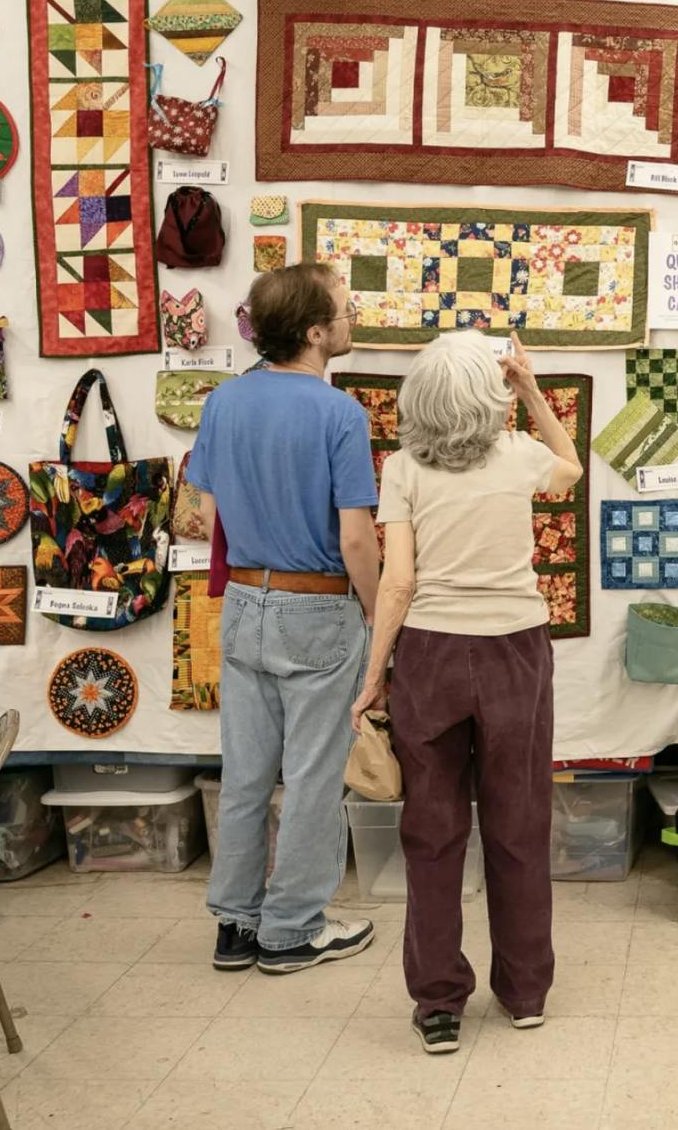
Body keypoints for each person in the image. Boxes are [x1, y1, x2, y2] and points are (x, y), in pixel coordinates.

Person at [350, 331, 582, 1055]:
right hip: (516, 652)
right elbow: (571, 470)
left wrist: (373, 677)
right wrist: (532, 388)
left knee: (432, 831)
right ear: (491, 396)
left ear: (417, 399)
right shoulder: (518, 453)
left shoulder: (401, 468)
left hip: (432, 657)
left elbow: (398, 583)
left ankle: (439, 1003)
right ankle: (525, 993)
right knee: (519, 823)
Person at [187, 262, 382, 976]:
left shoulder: (224, 401)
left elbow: (206, 509)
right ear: (315, 332)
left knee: (244, 774)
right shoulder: (339, 414)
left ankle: (235, 924)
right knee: (312, 777)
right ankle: (293, 929)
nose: (352, 319)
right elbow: (356, 537)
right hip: (318, 605)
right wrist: (377, 614)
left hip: (245, 601)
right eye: (344, 309)